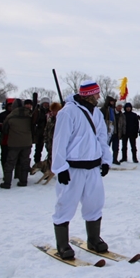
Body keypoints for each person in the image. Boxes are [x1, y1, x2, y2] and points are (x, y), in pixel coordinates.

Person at [51, 80, 112, 260]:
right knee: (66, 204)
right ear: (88, 94)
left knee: (95, 203)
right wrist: (60, 167)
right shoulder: (68, 112)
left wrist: (105, 160)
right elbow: (59, 141)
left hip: (92, 168)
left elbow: (102, 138)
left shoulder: (97, 114)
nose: (99, 96)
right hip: (73, 168)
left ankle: (93, 239)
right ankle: (62, 244)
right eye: (96, 94)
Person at [1, 99, 33, 188]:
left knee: (10, 162)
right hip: (27, 142)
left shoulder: (10, 116)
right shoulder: (29, 115)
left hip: (14, 143)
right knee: (25, 162)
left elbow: (5, 130)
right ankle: (23, 181)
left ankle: (7, 183)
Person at [0, 99, 14, 175]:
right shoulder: (2, 115)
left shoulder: (15, 115)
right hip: (4, 138)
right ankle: (5, 172)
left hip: (14, 139)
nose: (10, 107)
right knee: (4, 156)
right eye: (9, 106)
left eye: (12, 106)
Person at [33, 97, 51, 164]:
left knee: (49, 149)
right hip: (40, 132)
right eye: (45, 103)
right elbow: (35, 120)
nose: (46, 105)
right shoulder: (38, 110)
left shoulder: (50, 111)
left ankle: (49, 162)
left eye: (47, 103)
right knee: (38, 149)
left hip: (49, 133)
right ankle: (37, 162)